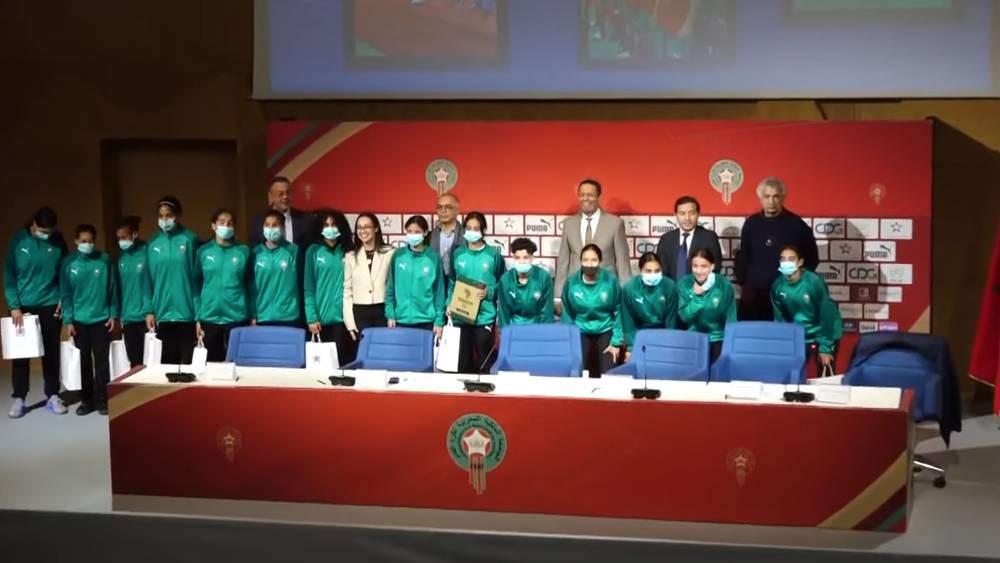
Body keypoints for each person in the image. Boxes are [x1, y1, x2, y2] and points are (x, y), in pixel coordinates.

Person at [5, 207, 68, 418]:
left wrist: (63, 298)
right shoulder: (19, 241)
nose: (46, 234)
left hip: (51, 304)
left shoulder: (58, 241)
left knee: (51, 353)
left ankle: (52, 395)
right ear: (33, 224)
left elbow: (65, 272)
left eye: (49, 231)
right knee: (21, 355)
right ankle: (19, 399)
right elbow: (9, 275)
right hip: (23, 307)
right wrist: (14, 305)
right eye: (42, 230)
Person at [735, 177, 818, 321]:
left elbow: (811, 260)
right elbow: (744, 256)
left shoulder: (798, 226)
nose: (771, 201)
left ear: (783, 197)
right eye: (767, 196)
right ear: (760, 198)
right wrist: (745, 281)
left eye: (776, 196)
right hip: (753, 299)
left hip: (787, 298)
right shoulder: (751, 224)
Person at [60, 224, 119, 415]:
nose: (88, 244)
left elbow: (113, 289)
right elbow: (66, 294)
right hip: (79, 322)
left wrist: (113, 314)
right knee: (83, 362)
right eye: (84, 241)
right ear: (76, 241)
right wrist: (68, 320)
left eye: (91, 241)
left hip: (101, 321)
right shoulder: (68, 263)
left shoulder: (104, 260)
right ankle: (87, 401)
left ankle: (103, 401)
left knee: (102, 363)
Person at [555, 179, 631, 316]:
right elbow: (563, 262)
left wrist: (626, 296)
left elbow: (622, 262)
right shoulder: (568, 224)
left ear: (599, 196)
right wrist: (558, 296)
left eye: (590, 195)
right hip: (576, 291)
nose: (585, 198)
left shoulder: (615, 223)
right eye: (582, 194)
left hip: (605, 291)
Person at [447, 212, 506, 374]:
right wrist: (449, 303)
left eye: (476, 228)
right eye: (469, 228)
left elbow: (503, 282)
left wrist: (489, 292)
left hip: (484, 317)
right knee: (462, 363)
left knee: (484, 363)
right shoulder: (457, 253)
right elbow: (452, 281)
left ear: (483, 231)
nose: (472, 231)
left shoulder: (493, 254)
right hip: (461, 315)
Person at [771, 245, 843, 374]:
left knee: (825, 378)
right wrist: (783, 344)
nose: (786, 263)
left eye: (791, 259)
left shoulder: (813, 282)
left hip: (824, 333)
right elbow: (780, 319)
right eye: (783, 259)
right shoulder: (777, 286)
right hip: (799, 335)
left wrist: (825, 348)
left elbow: (826, 315)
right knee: (792, 377)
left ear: (800, 262)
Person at [147, 196, 200, 364]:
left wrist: (198, 314)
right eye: (161, 216)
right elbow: (148, 280)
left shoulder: (190, 239)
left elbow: (197, 279)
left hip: (186, 314)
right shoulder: (153, 243)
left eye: (168, 215)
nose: (165, 219)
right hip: (162, 314)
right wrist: (150, 310)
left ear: (177, 215)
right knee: (166, 367)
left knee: (187, 366)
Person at [194, 209, 251, 362]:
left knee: (239, 365)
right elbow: (196, 285)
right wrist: (198, 316)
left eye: (230, 223)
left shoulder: (243, 252)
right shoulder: (203, 252)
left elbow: (250, 284)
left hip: (237, 317)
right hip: (209, 317)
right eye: (222, 222)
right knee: (212, 366)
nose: (226, 226)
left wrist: (252, 315)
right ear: (213, 226)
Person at [561, 244, 624, 378]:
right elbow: (567, 312)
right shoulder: (571, 282)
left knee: (608, 373)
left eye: (594, 260)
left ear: (600, 262)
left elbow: (618, 310)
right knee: (576, 371)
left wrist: (616, 342)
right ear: (580, 261)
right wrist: (569, 340)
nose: (589, 264)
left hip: (605, 330)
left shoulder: (611, 280)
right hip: (580, 331)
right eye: (585, 260)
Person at [305, 209, 355, 365]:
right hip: (320, 321)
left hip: (343, 321)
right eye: (326, 225)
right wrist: (312, 317)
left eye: (334, 224)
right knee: (321, 367)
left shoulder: (348, 252)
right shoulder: (313, 251)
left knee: (343, 364)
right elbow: (308, 288)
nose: (330, 228)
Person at [385, 215, 445, 338]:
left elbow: (439, 292)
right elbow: (390, 288)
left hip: (426, 322)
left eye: (417, 232)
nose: (413, 235)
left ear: (425, 233)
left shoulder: (433, 257)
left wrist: (439, 321)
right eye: (409, 231)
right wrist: (390, 314)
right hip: (400, 321)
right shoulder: (398, 255)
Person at [678, 248, 737, 363]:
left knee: (718, 377)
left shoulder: (724, 285)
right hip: (694, 337)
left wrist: (730, 344)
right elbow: (684, 317)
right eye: (695, 266)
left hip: (718, 339)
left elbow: (731, 318)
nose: (699, 271)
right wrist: (697, 298)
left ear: (712, 267)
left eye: (704, 266)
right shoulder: (684, 283)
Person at [344, 212, 393, 339]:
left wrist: (392, 314)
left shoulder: (390, 253)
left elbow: (394, 287)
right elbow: (347, 291)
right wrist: (349, 323)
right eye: (359, 227)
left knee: (383, 351)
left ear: (376, 228)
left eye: (367, 227)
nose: (363, 231)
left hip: (383, 310)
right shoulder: (350, 256)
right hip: (360, 312)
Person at [621, 253, 678, 360]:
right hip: (639, 335)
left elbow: (672, 322)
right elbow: (628, 323)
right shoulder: (629, 288)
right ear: (640, 270)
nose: (653, 274)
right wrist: (630, 349)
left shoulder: (670, 286)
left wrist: (669, 347)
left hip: (663, 334)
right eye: (648, 271)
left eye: (657, 271)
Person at [250, 211, 300, 327]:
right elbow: (251, 288)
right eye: (267, 225)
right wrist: (253, 315)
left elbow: (302, 284)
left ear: (283, 228)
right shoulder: (255, 253)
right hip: (262, 316)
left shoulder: (294, 251)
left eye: (275, 225)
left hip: (289, 317)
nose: (270, 228)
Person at [115, 216, 153, 368]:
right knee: (134, 363)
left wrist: (150, 310)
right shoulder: (122, 258)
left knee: (150, 363)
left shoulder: (148, 253)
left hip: (146, 318)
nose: (121, 242)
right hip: (129, 318)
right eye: (118, 238)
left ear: (135, 235)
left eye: (124, 237)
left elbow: (151, 284)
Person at [657, 195, 722, 281]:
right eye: (682, 213)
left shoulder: (709, 238)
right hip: (671, 292)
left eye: (692, 213)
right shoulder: (666, 239)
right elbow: (660, 270)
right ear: (675, 215)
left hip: (700, 292)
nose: (687, 218)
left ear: (698, 214)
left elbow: (715, 269)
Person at [498, 238, 554, 326]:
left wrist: (544, 334)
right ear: (513, 257)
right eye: (517, 257)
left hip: (537, 327)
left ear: (532, 258)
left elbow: (546, 312)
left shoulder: (544, 277)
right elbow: (503, 312)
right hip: (513, 328)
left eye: (526, 257)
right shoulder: (505, 280)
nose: (521, 261)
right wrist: (505, 334)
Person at [249, 177, 316, 247]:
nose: (285, 197)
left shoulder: (306, 219)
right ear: (271, 196)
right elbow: (254, 247)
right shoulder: (259, 220)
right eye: (280, 194)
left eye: (288, 192)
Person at [429, 193, 465, 278]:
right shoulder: (429, 237)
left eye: (448, 207)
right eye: (439, 207)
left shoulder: (467, 236)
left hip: (460, 285)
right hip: (436, 285)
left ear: (457, 210)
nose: (443, 210)